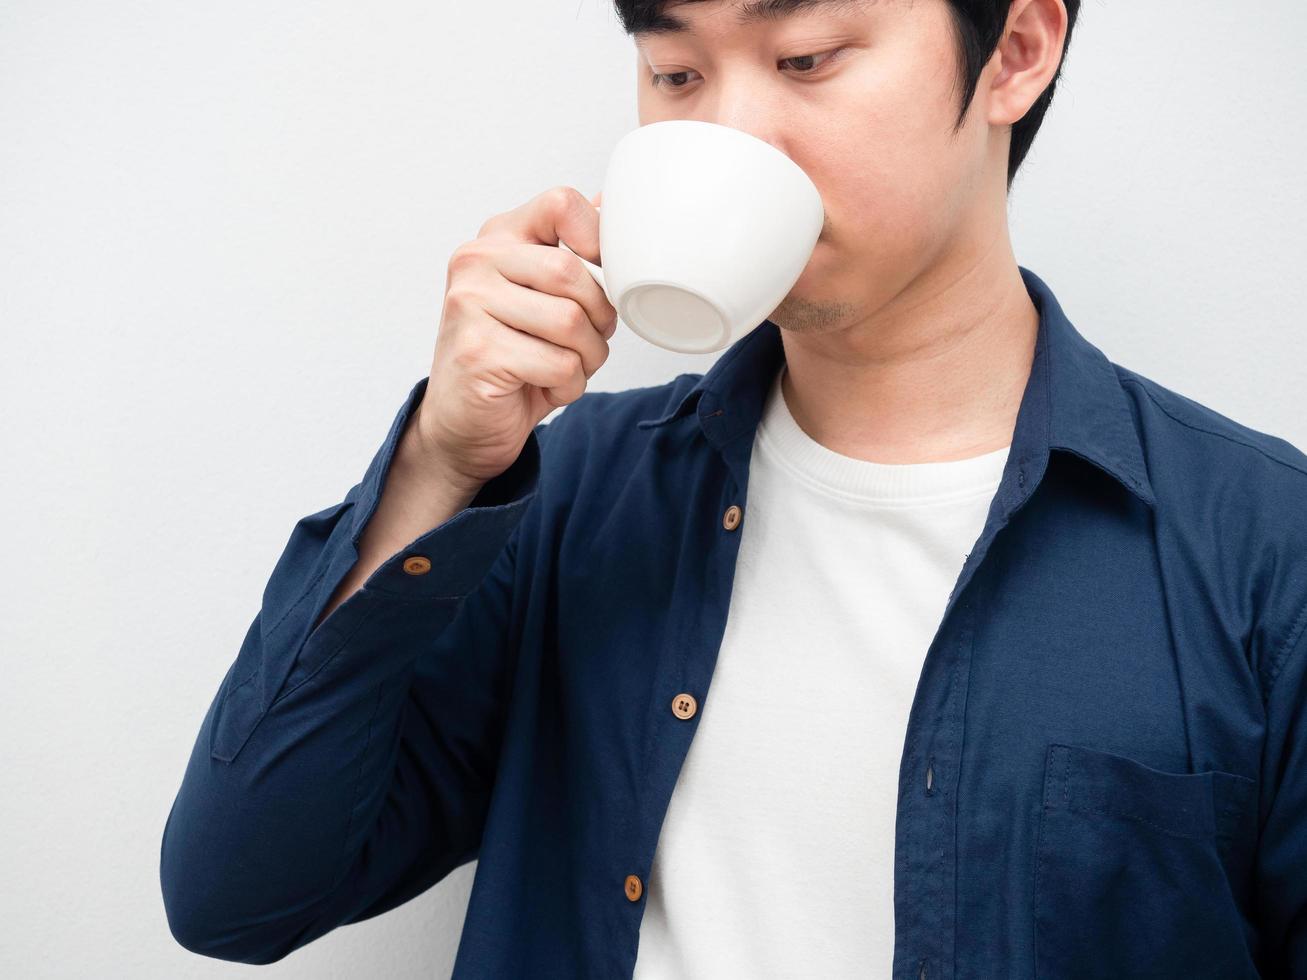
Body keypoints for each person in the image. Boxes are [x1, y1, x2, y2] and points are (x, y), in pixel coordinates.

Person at [159, 0, 1307, 976]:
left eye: (805, 57)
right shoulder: (568, 493)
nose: (729, 131)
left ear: (1013, 51)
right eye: (675, 72)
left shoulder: (1262, 548)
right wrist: (438, 466)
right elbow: (236, 894)